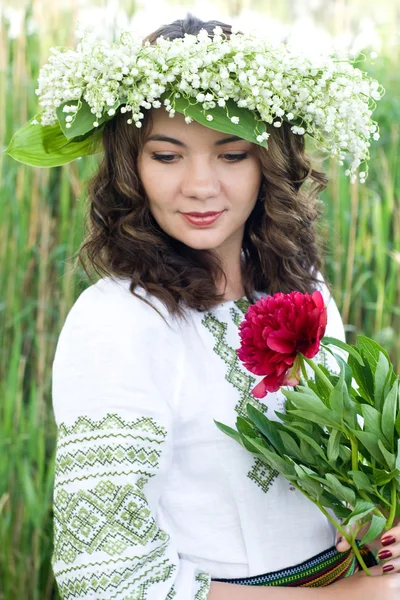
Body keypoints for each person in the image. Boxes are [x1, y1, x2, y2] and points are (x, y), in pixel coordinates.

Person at [6, 13, 400, 600]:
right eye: (167, 156)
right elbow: (106, 579)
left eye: (232, 154)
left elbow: (341, 469)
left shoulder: (302, 287)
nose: (199, 185)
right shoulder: (117, 322)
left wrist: (380, 515)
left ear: (268, 163)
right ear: (130, 167)